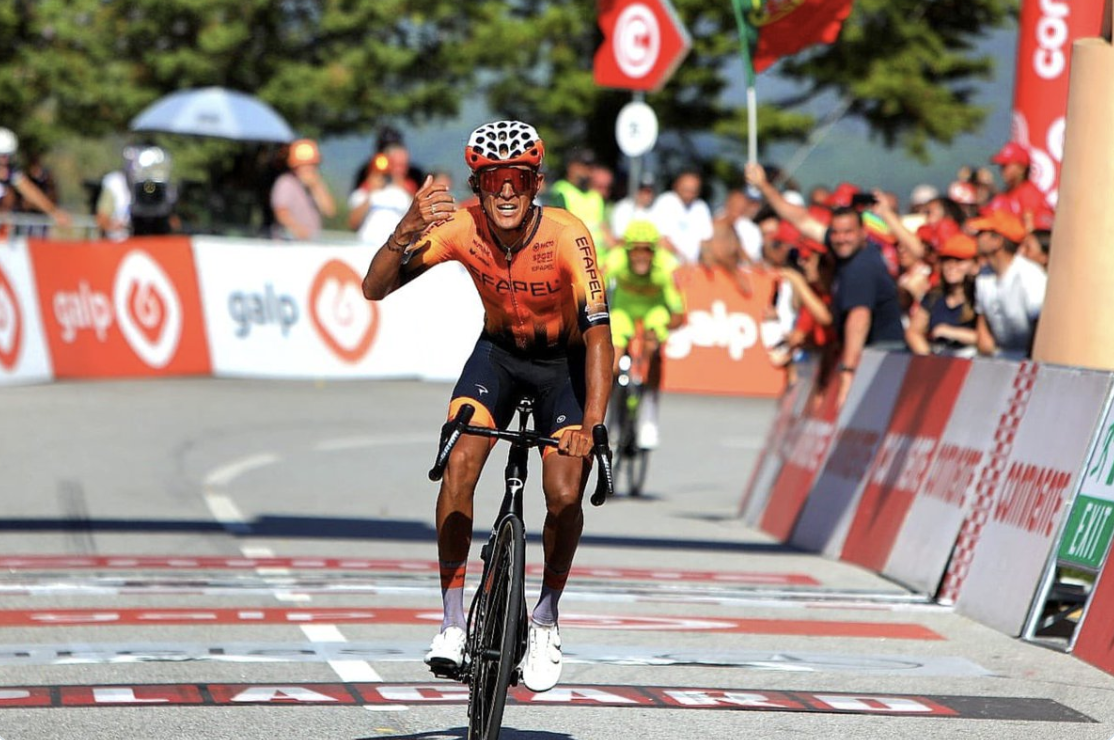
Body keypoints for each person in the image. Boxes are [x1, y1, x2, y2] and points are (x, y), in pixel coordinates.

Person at [361, 120, 613, 693]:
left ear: (536, 183)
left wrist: (592, 424)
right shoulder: (458, 227)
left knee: (565, 493)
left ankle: (546, 615)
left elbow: (600, 334)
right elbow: (375, 288)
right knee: (458, 464)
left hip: (563, 367)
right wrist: (405, 229)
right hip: (497, 358)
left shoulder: (569, 234)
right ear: (477, 185)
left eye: (517, 179)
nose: (505, 191)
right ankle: (452, 623)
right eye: (493, 178)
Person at [745, 162, 904, 407]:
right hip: (869, 352)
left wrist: (848, 372)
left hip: (882, 353)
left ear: (863, 232)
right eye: (836, 234)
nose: (840, 239)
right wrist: (765, 186)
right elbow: (800, 219)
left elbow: (858, 319)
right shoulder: (844, 250)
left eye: (848, 233)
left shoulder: (860, 267)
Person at [605, 220, 686, 450]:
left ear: (655, 250)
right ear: (626, 250)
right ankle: (613, 416)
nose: (641, 256)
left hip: (654, 309)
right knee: (611, 361)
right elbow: (592, 289)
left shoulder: (668, 267)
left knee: (653, 348)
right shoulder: (615, 259)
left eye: (647, 250)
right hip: (624, 307)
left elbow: (680, 315)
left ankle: (649, 413)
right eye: (636, 250)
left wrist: (660, 334)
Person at [969, 210, 1047, 359]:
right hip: (999, 358)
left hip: (1029, 358)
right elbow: (983, 321)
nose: (977, 238)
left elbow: (1040, 324)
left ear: (997, 241)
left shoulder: (1030, 275)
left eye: (982, 233)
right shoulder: (984, 275)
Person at [905, 233, 979, 357]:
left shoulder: (979, 297)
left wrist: (952, 332)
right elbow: (913, 332)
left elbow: (989, 341)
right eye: (946, 260)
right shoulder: (934, 296)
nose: (951, 266)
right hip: (939, 361)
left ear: (975, 265)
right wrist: (928, 357)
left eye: (959, 260)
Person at [96, 144, 179, 240]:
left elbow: (174, 222)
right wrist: (119, 227)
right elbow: (101, 218)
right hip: (121, 244)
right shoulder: (115, 183)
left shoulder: (164, 186)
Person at [0, 127, 70, 235]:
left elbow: (31, 192)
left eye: (8, 156)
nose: (6, 160)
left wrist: (54, 212)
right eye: (3, 156)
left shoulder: (11, 173)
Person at [546, 147, 614, 253]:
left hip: (600, 260)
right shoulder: (561, 192)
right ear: (572, 167)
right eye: (584, 165)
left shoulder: (595, 196)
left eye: (591, 166)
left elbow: (603, 229)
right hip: (576, 259)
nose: (588, 171)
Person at [270, 138, 336, 241]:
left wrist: (316, 187)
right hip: (288, 243)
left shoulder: (316, 184)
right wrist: (299, 231)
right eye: (305, 165)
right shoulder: (286, 183)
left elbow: (330, 211)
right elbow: (281, 213)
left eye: (312, 165)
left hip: (310, 244)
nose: (309, 169)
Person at [347, 145, 412, 245]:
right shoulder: (363, 193)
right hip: (365, 245)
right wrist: (371, 193)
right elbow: (353, 223)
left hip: (393, 250)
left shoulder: (403, 195)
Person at [985, 142, 1055, 232]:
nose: (1002, 170)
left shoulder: (1028, 192)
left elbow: (1030, 228)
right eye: (1001, 166)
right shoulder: (1005, 194)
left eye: (1006, 165)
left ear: (1021, 168)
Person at [650, 169, 714, 265]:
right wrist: (682, 259)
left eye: (693, 191)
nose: (689, 194)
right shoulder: (665, 202)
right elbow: (660, 239)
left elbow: (705, 241)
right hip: (667, 265)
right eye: (686, 190)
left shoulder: (701, 207)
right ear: (676, 186)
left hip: (692, 267)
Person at [609, 170, 657, 239]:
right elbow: (619, 236)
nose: (646, 195)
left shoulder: (655, 210)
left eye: (649, 192)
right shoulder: (623, 208)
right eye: (643, 191)